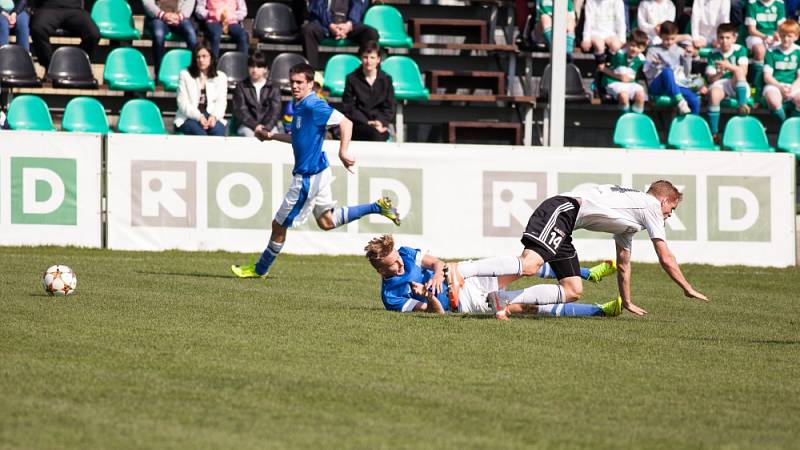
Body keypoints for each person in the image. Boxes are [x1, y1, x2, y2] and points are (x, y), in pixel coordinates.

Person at [230, 63, 401, 279]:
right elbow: (297, 137)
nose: (295, 86)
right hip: (319, 171)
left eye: (300, 82)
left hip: (308, 177)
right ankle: (377, 207)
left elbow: (345, 122)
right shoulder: (301, 106)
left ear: (311, 84)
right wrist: (272, 136)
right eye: (292, 82)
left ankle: (259, 269)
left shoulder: (313, 105)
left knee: (278, 224)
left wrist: (343, 151)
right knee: (326, 222)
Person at [445, 181, 709, 317]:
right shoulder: (650, 206)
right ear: (663, 200)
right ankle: (460, 269)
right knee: (529, 265)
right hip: (562, 209)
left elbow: (624, 264)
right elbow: (665, 256)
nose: (670, 215)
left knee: (573, 290)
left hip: (567, 224)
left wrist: (626, 301)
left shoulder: (632, 221)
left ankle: (503, 299)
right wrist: (687, 287)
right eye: (671, 209)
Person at [364, 234, 620, 319]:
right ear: (379, 270)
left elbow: (438, 262)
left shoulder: (406, 253)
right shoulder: (391, 297)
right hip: (464, 301)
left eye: (398, 260)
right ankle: (600, 310)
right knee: (528, 306)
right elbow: (436, 313)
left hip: (462, 277)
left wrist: (437, 277)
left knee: (523, 266)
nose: (399, 266)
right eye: (392, 267)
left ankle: (587, 273)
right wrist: (430, 296)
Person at [705, 23, 750, 141]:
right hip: (721, 83)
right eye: (721, 38)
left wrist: (728, 66)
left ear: (734, 38)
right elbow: (710, 79)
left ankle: (742, 106)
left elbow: (744, 72)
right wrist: (720, 73)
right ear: (717, 38)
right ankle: (714, 133)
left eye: (728, 38)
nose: (724, 41)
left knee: (739, 72)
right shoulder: (713, 54)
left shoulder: (740, 49)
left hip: (738, 82)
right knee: (714, 94)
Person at [341, 41, 395, 142]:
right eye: (365, 57)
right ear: (361, 58)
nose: (368, 61)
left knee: (380, 135)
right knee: (375, 136)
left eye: (372, 57)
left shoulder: (386, 79)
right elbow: (348, 107)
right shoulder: (352, 78)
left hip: (380, 125)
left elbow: (389, 107)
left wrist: (380, 122)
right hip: (358, 124)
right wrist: (366, 122)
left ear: (378, 59)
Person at [302, 0, 378, 69]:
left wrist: (349, 24)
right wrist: (330, 24)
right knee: (308, 30)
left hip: (349, 24)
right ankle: (310, 73)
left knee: (370, 33)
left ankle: (366, 70)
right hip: (325, 24)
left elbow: (358, 5)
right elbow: (317, 5)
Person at [644, 21, 699, 115]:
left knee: (694, 99)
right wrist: (653, 64)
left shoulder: (679, 50)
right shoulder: (653, 50)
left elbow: (686, 73)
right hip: (657, 85)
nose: (669, 42)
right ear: (660, 36)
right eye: (666, 39)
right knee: (667, 71)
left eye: (672, 39)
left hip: (675, 85)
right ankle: (680, 101)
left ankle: (694, 124)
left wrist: (687, 57)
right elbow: (647, 72)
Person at [175, 42, 228, 136]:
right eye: (198, 57)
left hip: (211, 115)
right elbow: (182, 103)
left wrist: (214, 117)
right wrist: (198, 117)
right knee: (200, 134)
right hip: (189, 117)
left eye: (204, 56)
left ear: (211, 57)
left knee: (218, 131)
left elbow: (221, 102)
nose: (201, 60)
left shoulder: (221, 77)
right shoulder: (185, 74)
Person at [29, 0, 100, 68]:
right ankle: (50, 67)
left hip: (74, 8)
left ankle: (75, 62)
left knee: (93, 33)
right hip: (48, 7)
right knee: (38, 28)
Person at [232, 50, 281, 137]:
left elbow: (275, 112)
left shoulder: (274, 87)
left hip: (269, 126)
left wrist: (266, 127)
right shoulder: (241, 86)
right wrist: (255, 126)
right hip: (247, 126)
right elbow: (240, 111)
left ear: (265, 69)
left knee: (274, 136)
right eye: (252, 66)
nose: (254, 70)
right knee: (249, 136)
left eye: (259, 66)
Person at [142, 0, 198, 77]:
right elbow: (147, 3)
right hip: (157, 17)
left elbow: (190, 2)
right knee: (158, 35)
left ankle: (194, 73)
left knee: (191, 34)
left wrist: (180, 16)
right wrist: (162, 15)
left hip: (179, 17)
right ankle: (159, 75)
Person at [598, 29, 649, 113]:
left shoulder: (641, 59)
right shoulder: (618, 55)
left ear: (643, 49)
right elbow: (602, 68)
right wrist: (619, 77)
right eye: (632, 45)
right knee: (623, 96)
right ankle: (626, 118)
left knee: (640, 95)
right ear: (627, 43)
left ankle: (636, 118)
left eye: (639, 47)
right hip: (614, 82)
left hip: (630, 83)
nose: (635, 49)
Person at [762, 19, 800, 123]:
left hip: (793, 85)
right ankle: (785, 126)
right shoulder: (771, 51)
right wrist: (780, 87)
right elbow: (767, 77)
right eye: (783, 35)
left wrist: (791, 88)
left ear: (796, 37)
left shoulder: (798, 51)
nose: (785, 39)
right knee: (773, 101)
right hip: (775, 85)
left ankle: (795, 126)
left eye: (789, 36)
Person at [745, 0, 786, 92]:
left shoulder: (779, 3)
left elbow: (781, 27)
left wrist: (777, 35)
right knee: (760, 51)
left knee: (782, 49)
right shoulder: (753, 3)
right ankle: (756, 87)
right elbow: (751, 30)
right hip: (756, 35)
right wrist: (765, 37)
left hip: (773, 36)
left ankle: (777, 84)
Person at [580, 0, 627, 69]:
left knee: (616, 46)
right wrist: (586, 39)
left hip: (611, 33)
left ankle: (609, 66)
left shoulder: (618, 2)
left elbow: (620, 20)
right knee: (599, 46)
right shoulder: (590, 1)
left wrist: (622, 38)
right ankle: (600, 68)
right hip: (595, 32)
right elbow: (588, 21)